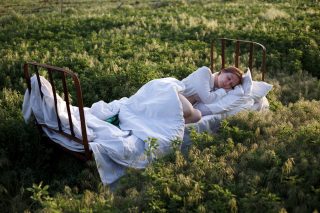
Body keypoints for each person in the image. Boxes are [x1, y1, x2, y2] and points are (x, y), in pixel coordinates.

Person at [179, 66, 243, 124]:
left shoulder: (214, 91)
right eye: (228, 78)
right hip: (175, 95)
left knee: (197, 115)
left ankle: (172, 120)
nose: (227, 83)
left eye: (231, 85)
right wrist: (223, 91)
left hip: (181, 107)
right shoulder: (205, 72)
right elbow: (207, 99)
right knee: (188, 110)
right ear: (222, 71)